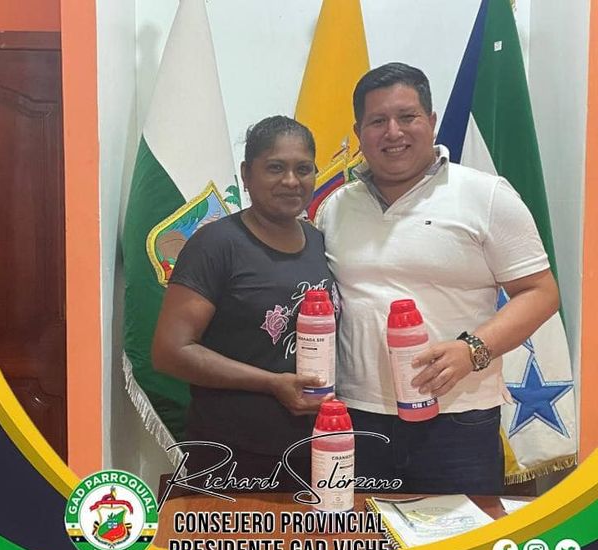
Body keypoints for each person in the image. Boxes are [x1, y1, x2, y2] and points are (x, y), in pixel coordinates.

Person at [315, 62, 559, 495]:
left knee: (465, 537)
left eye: (407, 116)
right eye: (377, 121)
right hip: (357, 418)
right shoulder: (335, 207)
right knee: (364, 535)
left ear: (430, 121)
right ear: (358, 132)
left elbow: (540, 293)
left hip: (458, 419)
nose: (393, 132)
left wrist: (472, 350)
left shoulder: (486, 195)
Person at [152, 116, 338, 491]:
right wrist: (272, 384)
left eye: (303, 169)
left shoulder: (319, 241)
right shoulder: (216, 245)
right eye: (275, 168)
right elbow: (170, 352)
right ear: (246, 174)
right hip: (231, 454)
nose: (291, 181)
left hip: (313, 450)